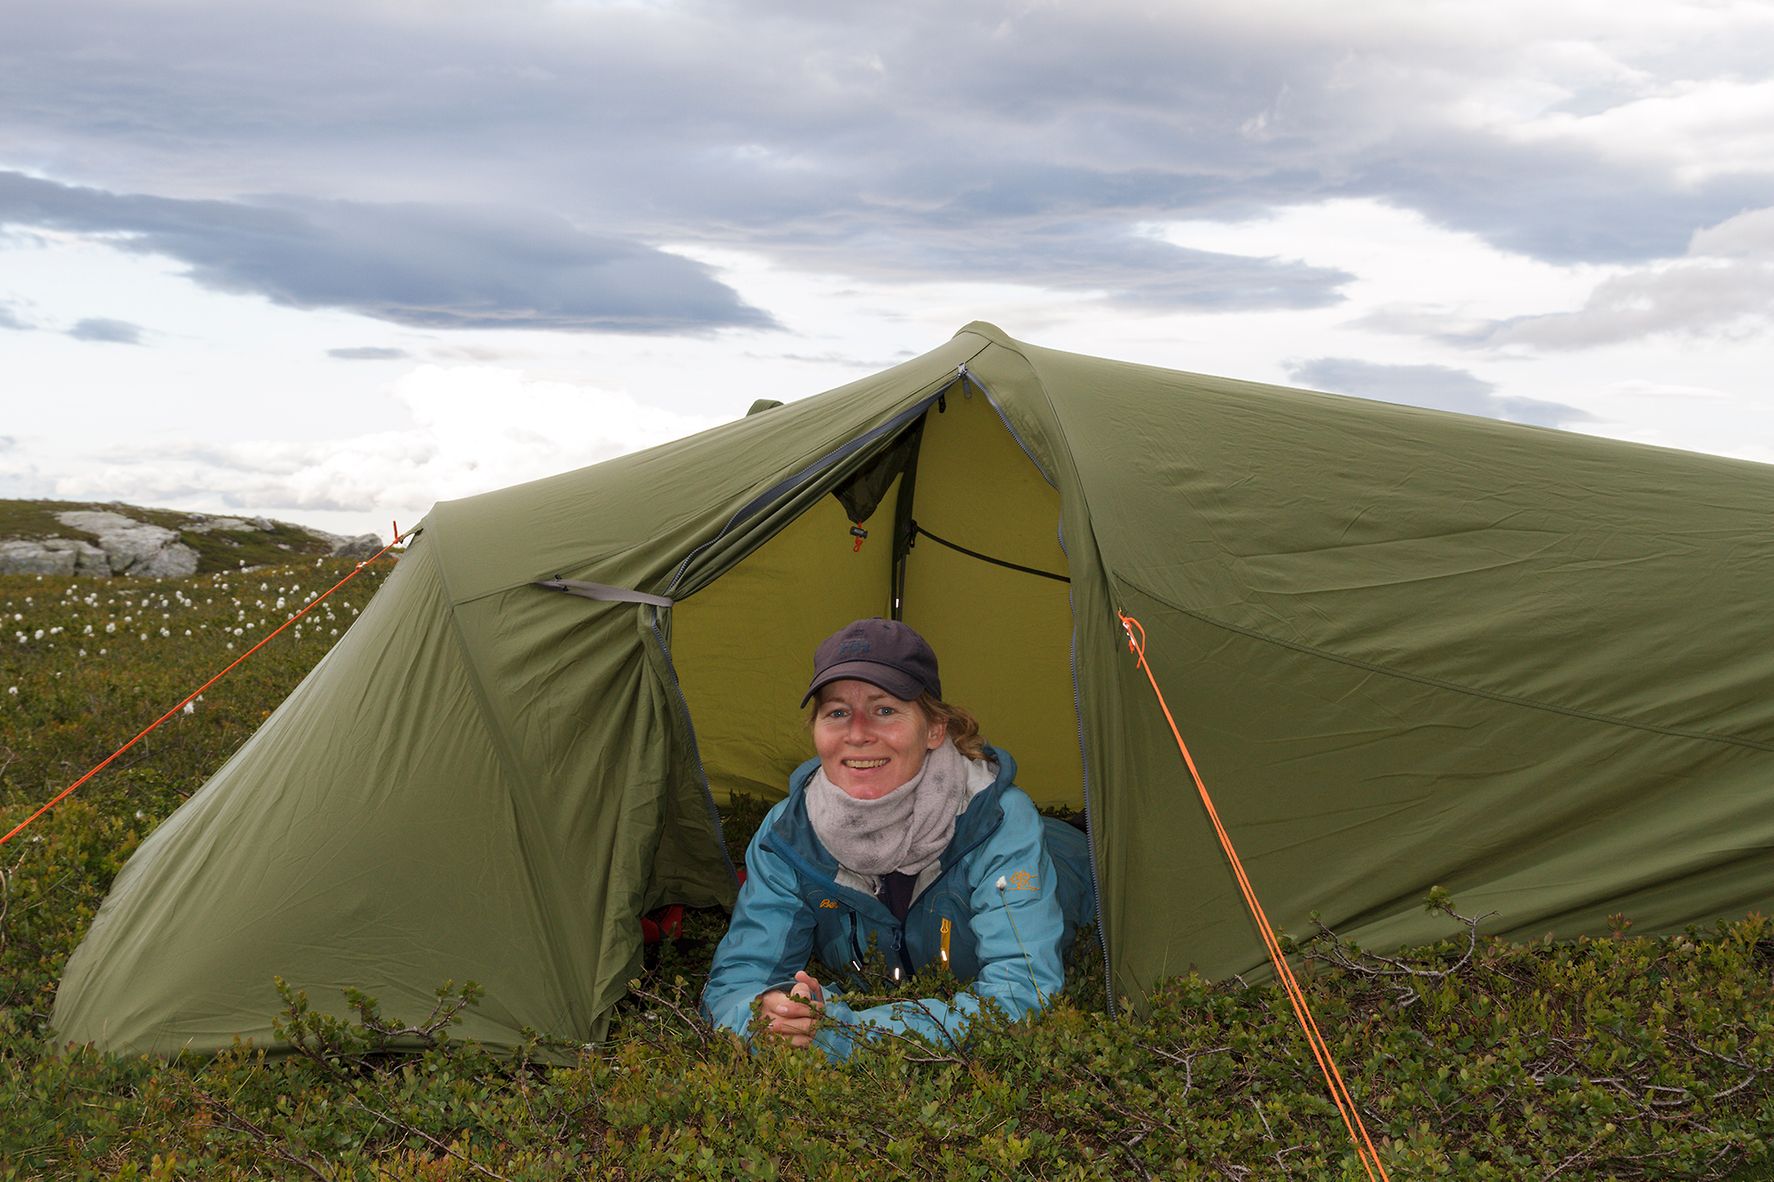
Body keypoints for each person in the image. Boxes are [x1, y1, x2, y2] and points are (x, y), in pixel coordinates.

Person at [700, 617, 1095, 1060]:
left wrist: (841, 1035)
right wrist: (767, 1019)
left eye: (885, 709)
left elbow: (1024, 998)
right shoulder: (788, 837)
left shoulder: (997, 823)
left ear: (934, 729)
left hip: (1075, 860)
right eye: (837, 712)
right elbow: (734, 987)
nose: (858, 733)